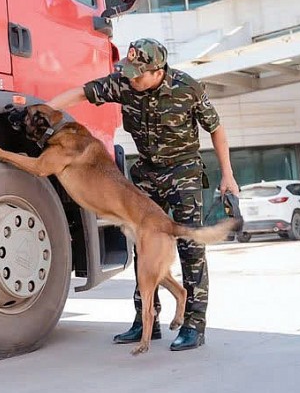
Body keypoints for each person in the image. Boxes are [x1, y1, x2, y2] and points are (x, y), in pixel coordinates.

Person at [48, 38, 239, 351]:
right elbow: (82, 92)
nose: (132, 79)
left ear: (157, 71)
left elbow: (215, 128)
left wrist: (228, 175)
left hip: (183, 172)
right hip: (147, 173)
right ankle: (145, 319)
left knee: (190, 246)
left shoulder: (187, 87)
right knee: (143, 246)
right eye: (129, 72)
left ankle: (193, 324)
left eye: (138, 74)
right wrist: (43, 109)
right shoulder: (124, 83)